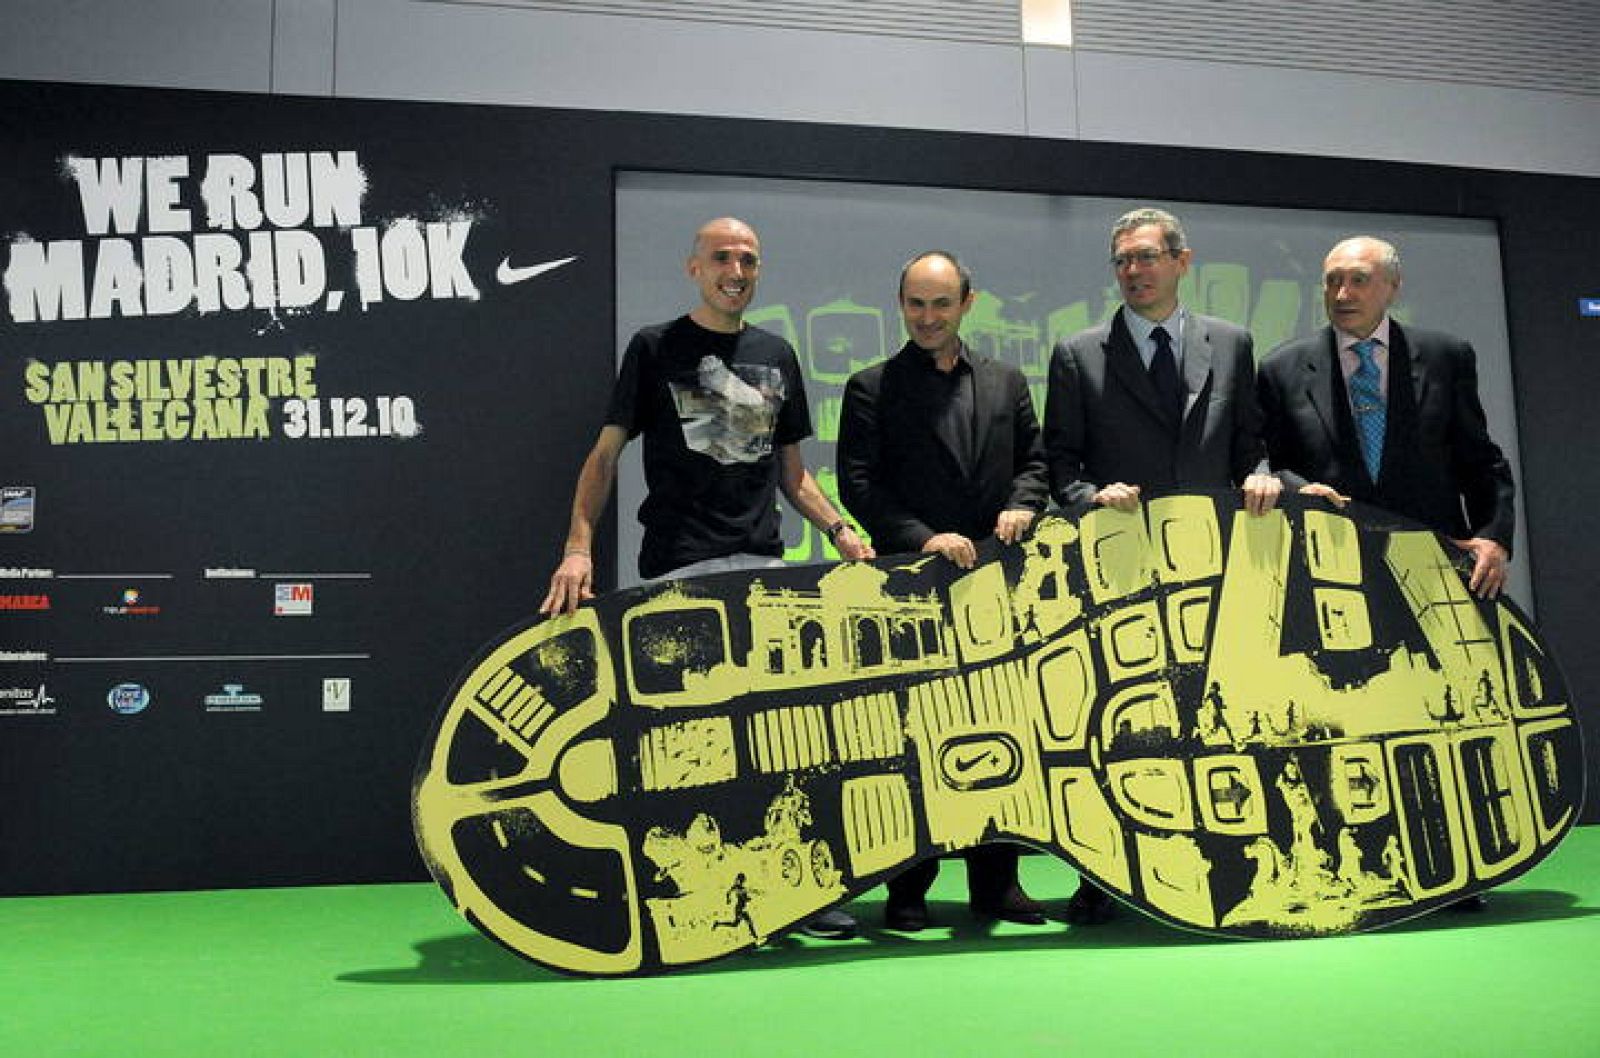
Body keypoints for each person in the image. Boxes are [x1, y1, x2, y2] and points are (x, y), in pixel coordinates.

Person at [540, 216, 873, 939]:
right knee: (691, 743)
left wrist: (843, 531)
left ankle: (797, 893)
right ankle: (702, 897)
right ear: (695, 268)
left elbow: (792, 476)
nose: (738, 268)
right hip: (679, 570)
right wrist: (577, 546)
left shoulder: (776, 354)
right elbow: (604, 457)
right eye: (723, 256)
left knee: (780, 737)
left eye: (750, 258)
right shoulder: (656, 348)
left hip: (762, 571)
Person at [1043, 207, 1281, 924]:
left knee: (1225, 716)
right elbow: (1059, 465)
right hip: (1124, 572)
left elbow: (1251, 447)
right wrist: (1091, 494)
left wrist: (1265, 475)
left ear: (1182, 261)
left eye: (1146, 258)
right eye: (1122, 262)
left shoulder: (1233, 344)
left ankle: (1236, 868)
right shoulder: (1078, 352)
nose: (1133, 273)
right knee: (1126, 724)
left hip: (1216, 567)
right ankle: (1105, 880)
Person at [837, 249, 1050, 931]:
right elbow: (860, 484)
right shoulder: (870, 386)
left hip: (1001, 585)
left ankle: (999, 884)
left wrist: (1023, 504)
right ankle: (907, 890)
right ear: (901, 306)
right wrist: (924, 536)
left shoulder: (1008, 381)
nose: (927, 317)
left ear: (967, 303)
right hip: (914, 590)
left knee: (1009, 727)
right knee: (911, 740)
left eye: (941, 304)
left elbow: (1036, 463)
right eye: (915, 304)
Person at [1258, 235, 1515, 602]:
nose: (1343, 293)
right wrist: (1298, 490)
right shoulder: (1281, 368)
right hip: (1329, 570)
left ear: (1393, 287)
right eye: (1332, 281)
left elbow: (1480, 461)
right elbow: (1268, 464)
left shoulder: (1446, 357)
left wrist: (1493, 538)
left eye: (1358, 280)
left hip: (1435, 567)